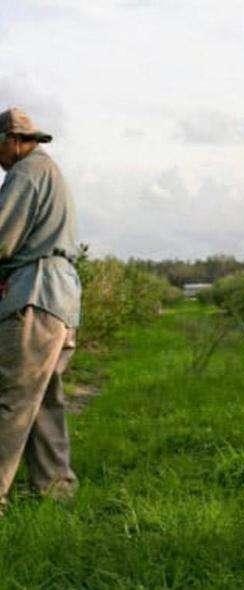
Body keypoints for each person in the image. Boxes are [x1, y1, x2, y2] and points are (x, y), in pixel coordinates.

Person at [0, 108, 82, 515]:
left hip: (34, 296)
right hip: (62, 299)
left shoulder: (26, 172)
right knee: (45, 400)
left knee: (11, 399)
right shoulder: (50, 171)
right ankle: (54, 492)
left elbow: (2, 238)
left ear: (12, 140)